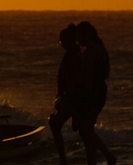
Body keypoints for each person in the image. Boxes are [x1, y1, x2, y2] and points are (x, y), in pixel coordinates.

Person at [75, 22, 115, 165]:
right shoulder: (101, 49)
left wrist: (80, 93)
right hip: (100, 91)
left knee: (85, 129)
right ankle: (104, 156)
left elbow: (87, 76)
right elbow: (106, 73)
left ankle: (98, 158)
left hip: (92, 93)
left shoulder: (90, 51)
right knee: (86, 129)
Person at [49, 24, 83, 165]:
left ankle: (63, 159)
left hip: (72, 99)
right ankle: (63, 158)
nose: (61, 44)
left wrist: (65, 96)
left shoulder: (74, 55)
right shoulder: (73, 54)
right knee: (84, 131)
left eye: (62, 41)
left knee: (55, 124)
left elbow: (73, 79)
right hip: (70, 98)